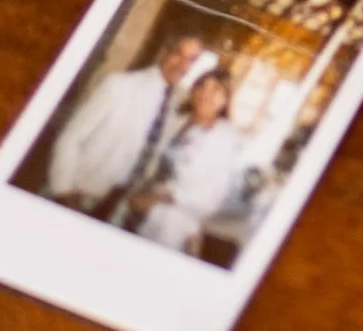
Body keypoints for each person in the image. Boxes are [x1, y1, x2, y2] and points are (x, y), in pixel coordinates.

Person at [45, 35, 205, 213]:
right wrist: (63, 191)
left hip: (116, 207)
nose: (182, 65)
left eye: (191, 60)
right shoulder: (120, 85)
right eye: (178, 54)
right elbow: (71, 138)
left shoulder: (175, 107)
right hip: (78, 195)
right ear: (165, 52)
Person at [123, 70, 247, 258]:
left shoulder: (224, 138)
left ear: (226, 100)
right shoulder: (178, 120)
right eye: (202, 86)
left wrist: (156, 199)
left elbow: (212, 197)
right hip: (136, 207)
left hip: (172, 224)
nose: (206, 93)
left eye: (216, 89)